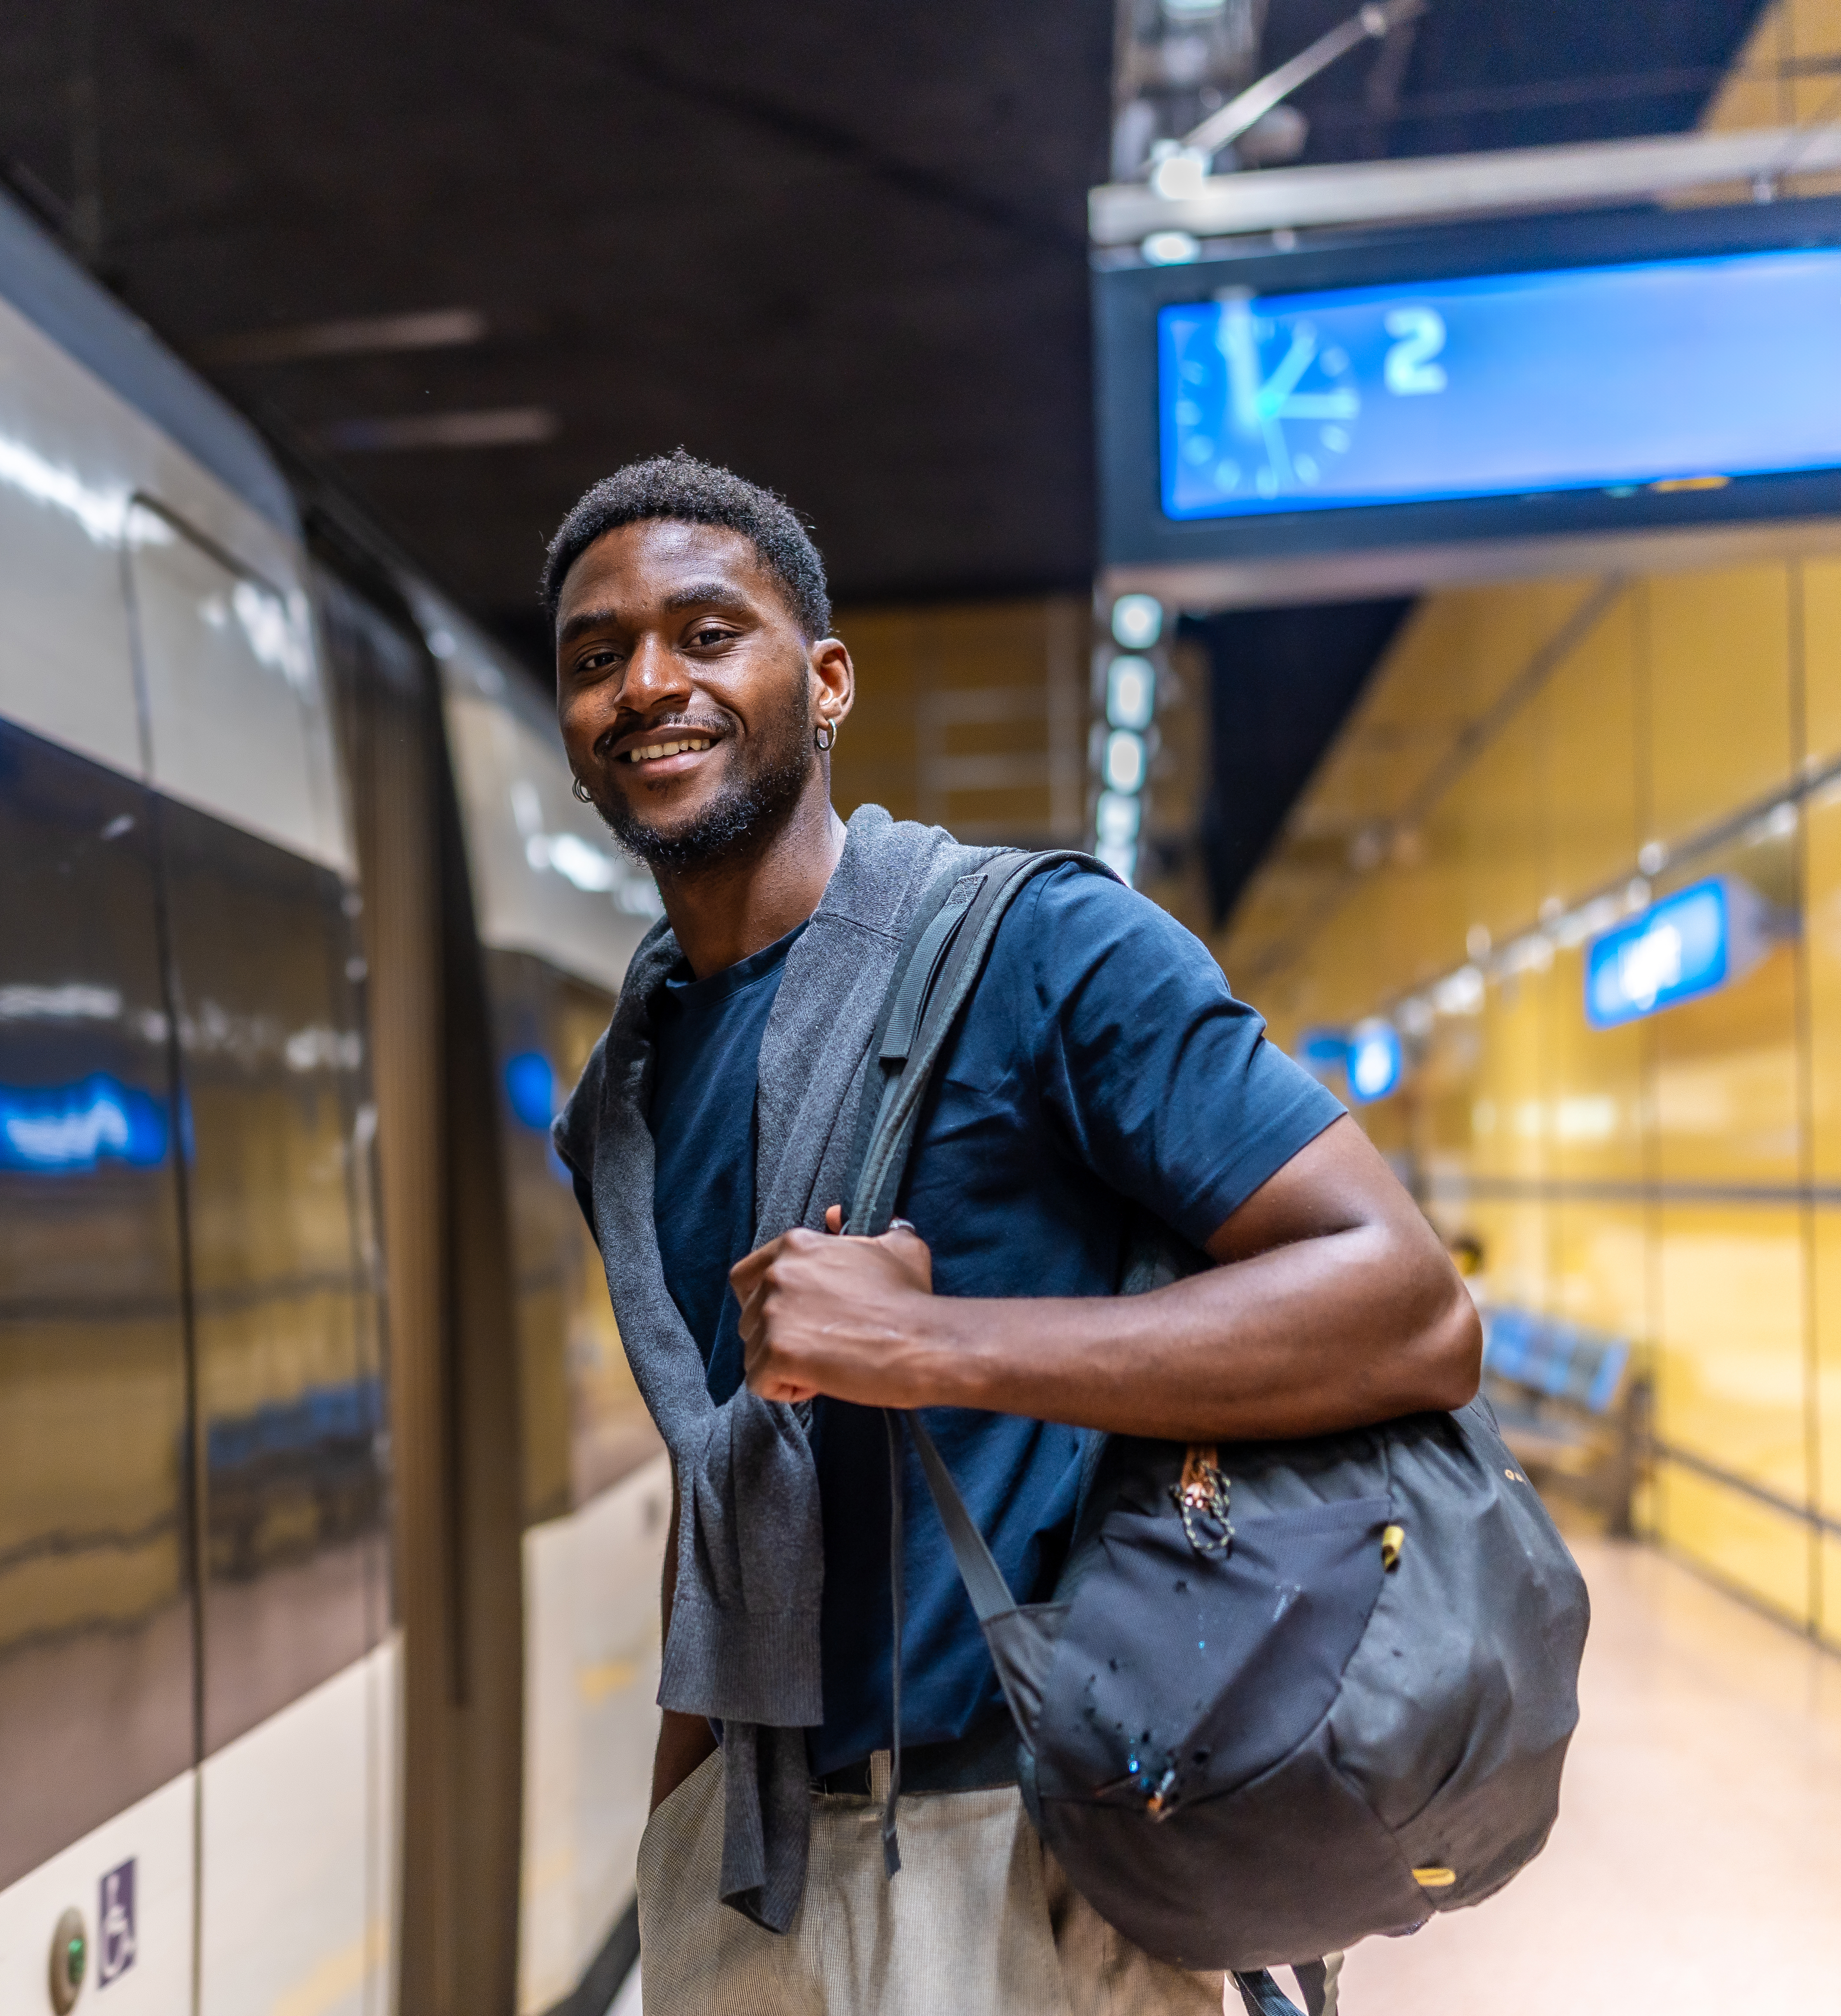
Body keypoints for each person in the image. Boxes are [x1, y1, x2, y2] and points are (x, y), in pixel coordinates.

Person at [542, 454, 1479, 2015]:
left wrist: (931, 1345)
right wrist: (679, 1841)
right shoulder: (625, 1094)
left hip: (1036, 1845)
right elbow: (730, 1485)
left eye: (708, 634)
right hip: (754, 1865)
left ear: (826, 680)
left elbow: (1409, 1308)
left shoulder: (1040, 949)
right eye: (595, 657)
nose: (648, 682)